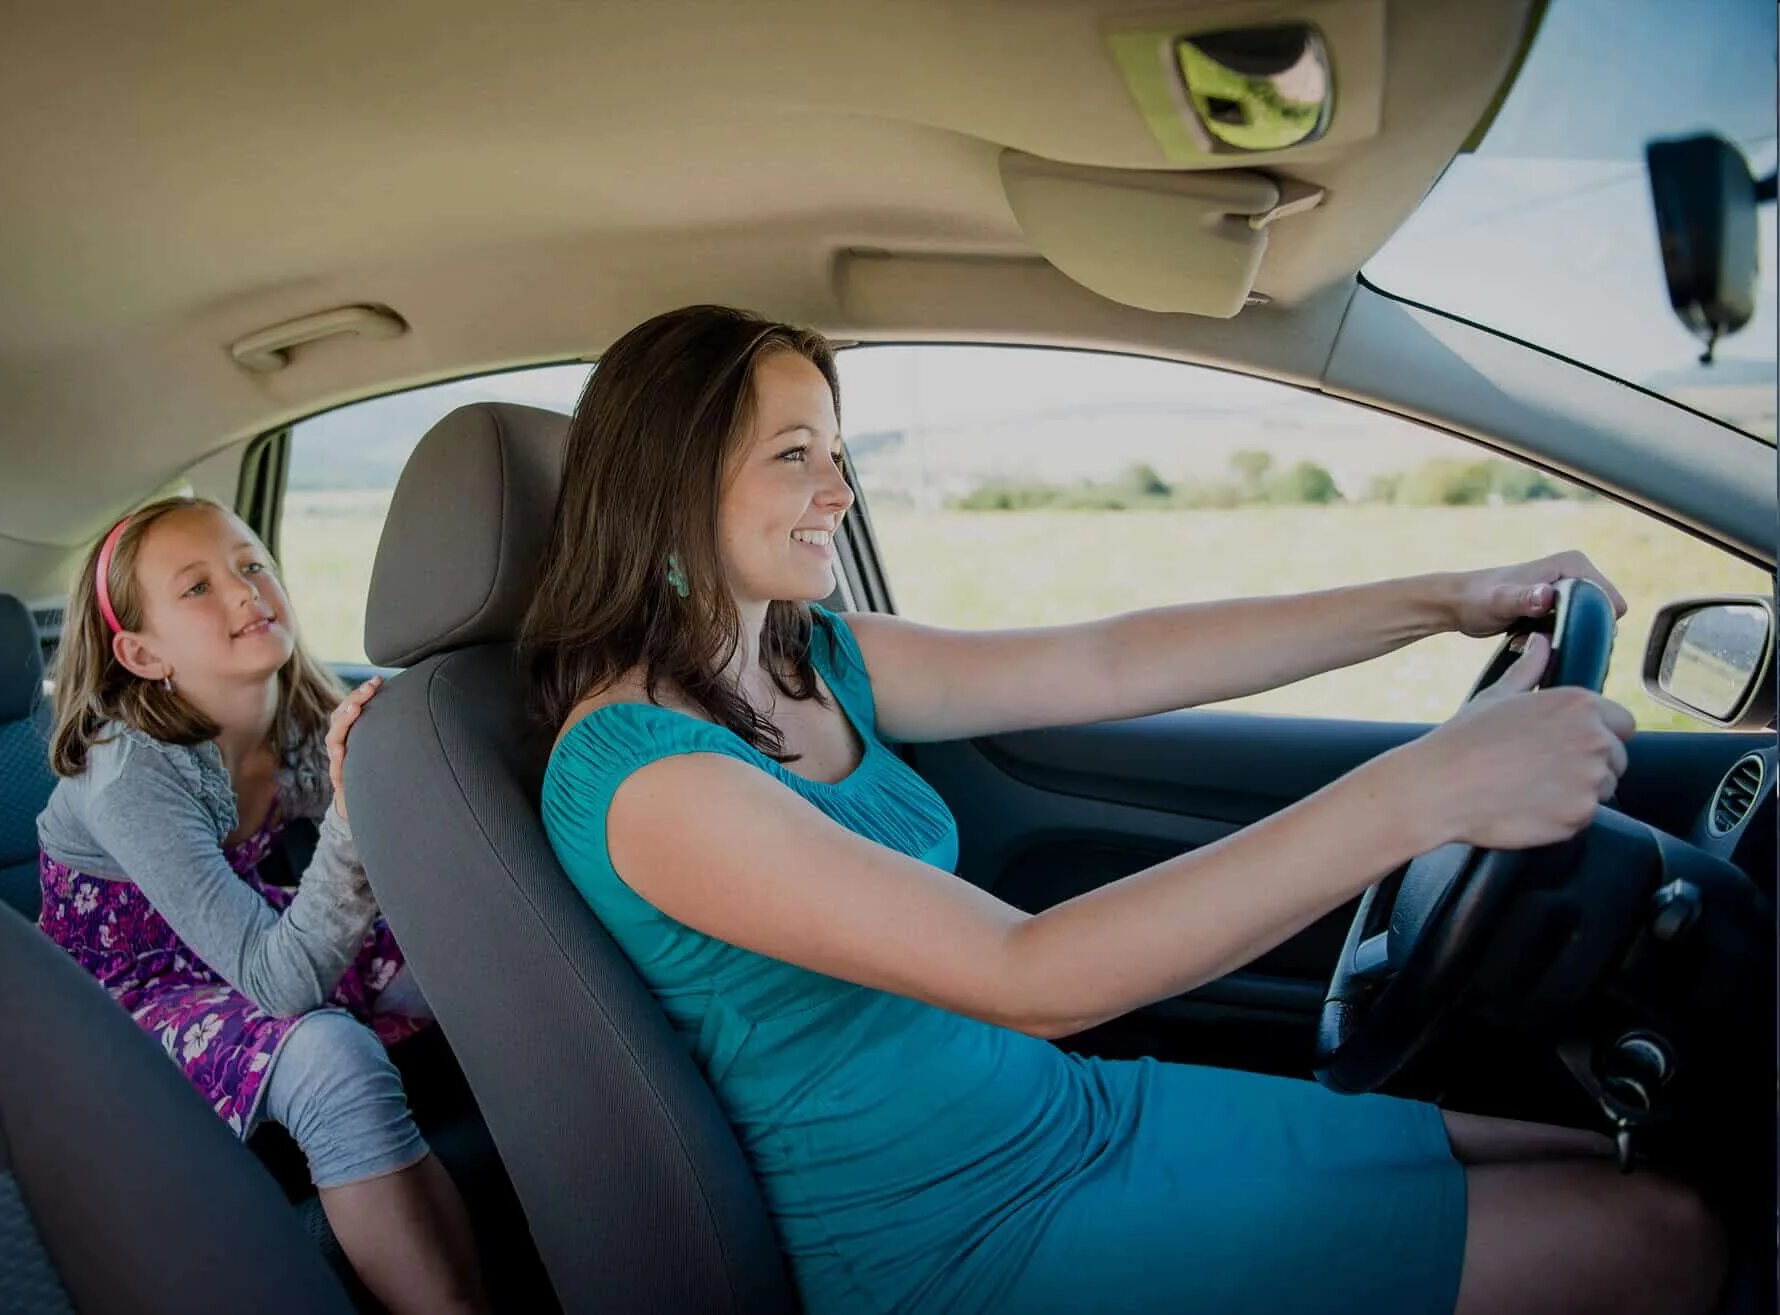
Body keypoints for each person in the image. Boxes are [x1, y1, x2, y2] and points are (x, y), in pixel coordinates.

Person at [523, 306, 1725, 1315]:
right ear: (674, 484)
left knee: (1613, 1158)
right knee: (1657, 1236)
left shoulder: (813, 659)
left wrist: (1447, 597)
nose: (839, 488)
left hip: (1068, 1115)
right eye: (795, 454)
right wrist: (1427, 786)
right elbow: (1026, 971)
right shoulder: (651, 780)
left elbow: (1108, 661)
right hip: (948, 1238)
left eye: (838, 451)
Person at [36, 496, 490, 1315]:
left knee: (458, 955)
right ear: (140, 652)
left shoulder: (304, 715)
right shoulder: (131, 768)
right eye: (198, 587)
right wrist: (354, 815)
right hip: (117, 1001)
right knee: (329, 1055)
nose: (247, 591)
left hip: (241, 927)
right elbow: (279, 983)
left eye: (252, 564)